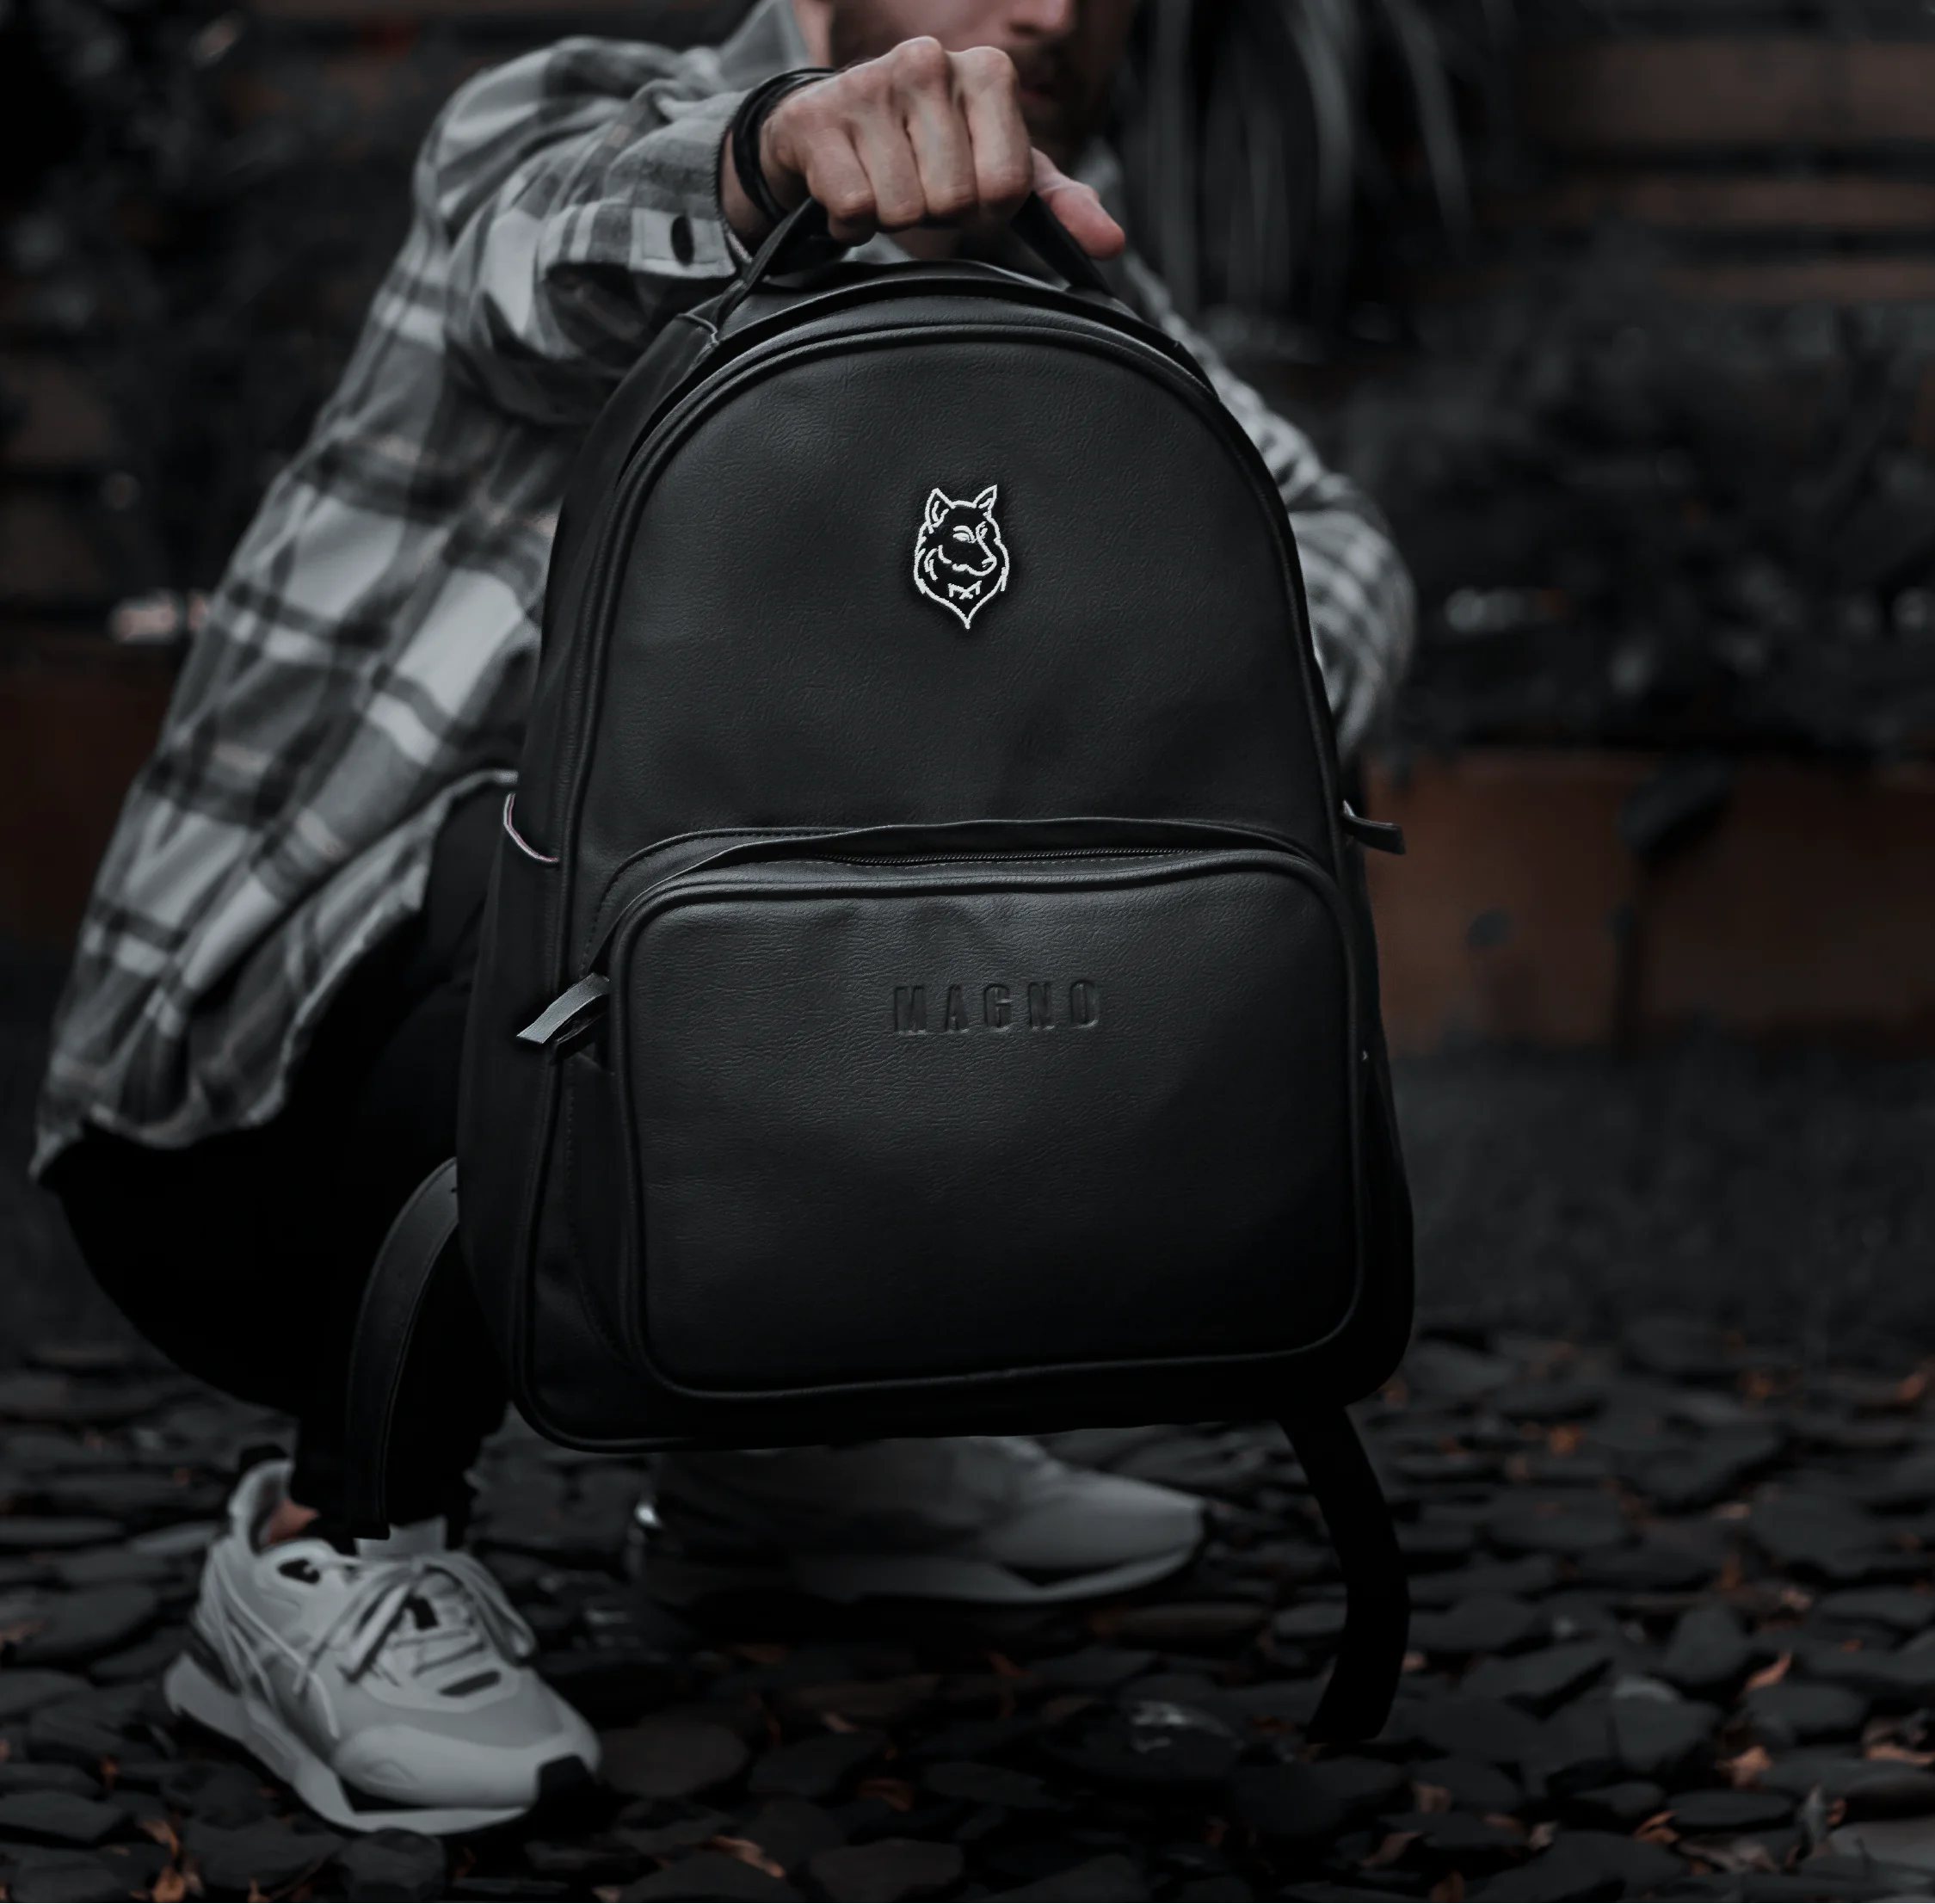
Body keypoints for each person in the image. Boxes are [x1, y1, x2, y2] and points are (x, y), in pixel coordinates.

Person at [34, 0, 1415, 1836]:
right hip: (251, 1100)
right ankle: (326, 1540)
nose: (1054, 7)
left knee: (952, 931)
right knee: (624, 893)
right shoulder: (580, 121)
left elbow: (1336, 543)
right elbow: (537, 250)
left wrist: (1151, 706)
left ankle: (793, 1472)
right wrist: (776, 152)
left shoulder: (1063, 272)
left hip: (712, 1042)